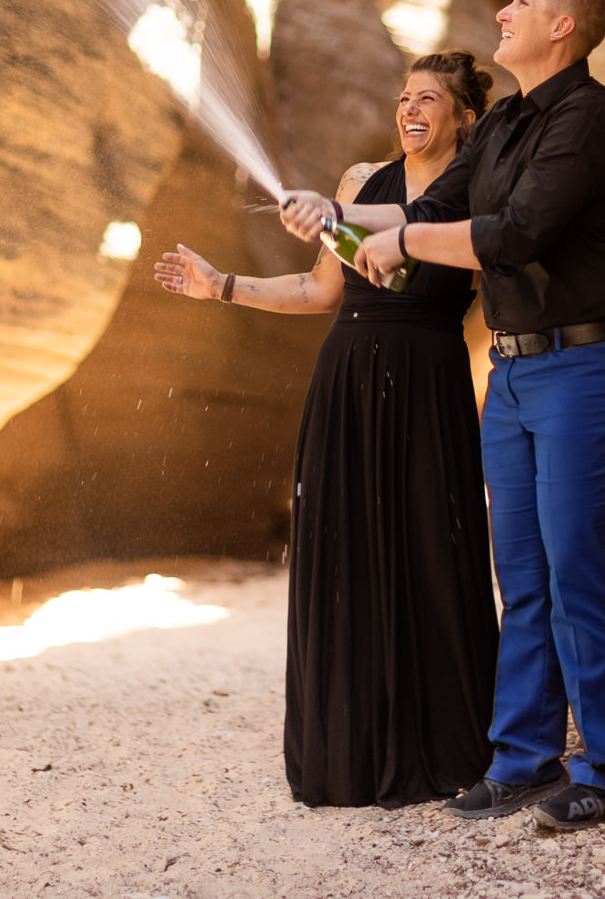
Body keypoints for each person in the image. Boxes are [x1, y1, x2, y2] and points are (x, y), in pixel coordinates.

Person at [278, 0, 605, 832]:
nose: (504, 9)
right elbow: (430, 201)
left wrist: (405, 236)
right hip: (520, 371)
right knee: (521, 577)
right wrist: (327, 215)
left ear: (562, 28)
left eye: (523, 3)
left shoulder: (587, 117)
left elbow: (514, 232)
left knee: (576, 571)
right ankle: (525, 759)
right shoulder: (503, 127)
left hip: (592, 367)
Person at [154, 51, 501, 808]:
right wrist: (222, 288)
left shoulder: (478, 185)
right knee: (344, 555)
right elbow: (320, 289)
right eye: (403, 96)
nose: (410, 109)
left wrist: (351, 223)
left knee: (434, 556)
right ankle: (349, 750)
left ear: (463, 116)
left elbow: (450, 260)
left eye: (430, 99)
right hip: (348, 379)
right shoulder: (355, 181)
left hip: (430, 382)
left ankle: (449, 748)